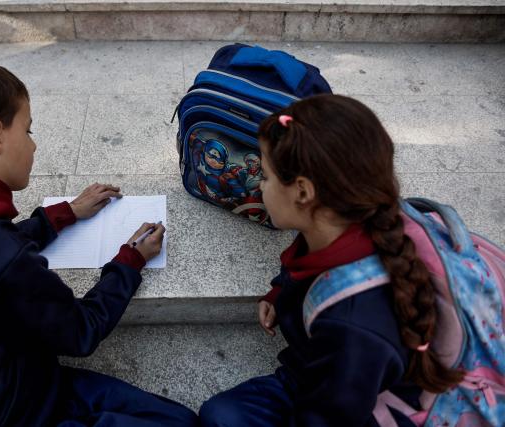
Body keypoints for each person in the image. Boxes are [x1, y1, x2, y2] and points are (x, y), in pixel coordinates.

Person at [0, 54, 198, 426]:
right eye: (28, 131)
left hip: (0, 388)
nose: (33, 145)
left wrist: (62, 214)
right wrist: (130, 260)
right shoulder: (4, 257)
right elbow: (81, 331)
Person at [199, 94, 464, 426]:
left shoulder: (354, 326)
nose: (257, 185)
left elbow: (331, 415)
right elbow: (304, 264)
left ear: (302, 191)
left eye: (265, 176)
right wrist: (280, 292)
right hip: (323, 377)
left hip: (360, 406)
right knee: (219, 415)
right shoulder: (344, 218)